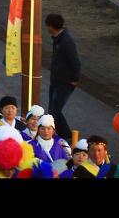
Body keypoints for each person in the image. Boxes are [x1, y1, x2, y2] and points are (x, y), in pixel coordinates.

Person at [45, 13, 80, 142]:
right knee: (52, 110)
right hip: (56, 80)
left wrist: (75, 79)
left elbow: (75, 61)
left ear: (51, 27)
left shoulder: (66, 41)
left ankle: (67, 136)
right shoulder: (58, 39)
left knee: (55, 110)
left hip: (64, 82)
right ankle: (61, 134)